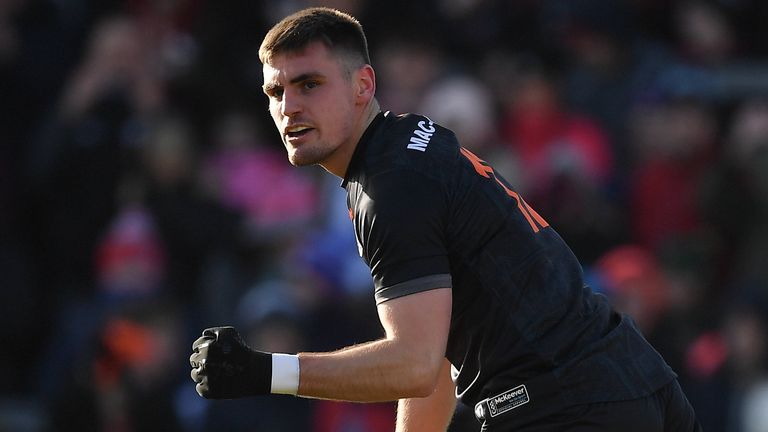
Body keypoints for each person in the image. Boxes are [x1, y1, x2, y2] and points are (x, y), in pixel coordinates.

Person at [189, 7, 702, 431]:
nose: (289, 108)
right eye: (276, 93)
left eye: (309, 84)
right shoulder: (404, 146)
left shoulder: (390, 185)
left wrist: (266, 371)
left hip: (568, 405)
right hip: (634, 381)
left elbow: (411, 364)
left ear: (363, 84)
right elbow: (433, 362)